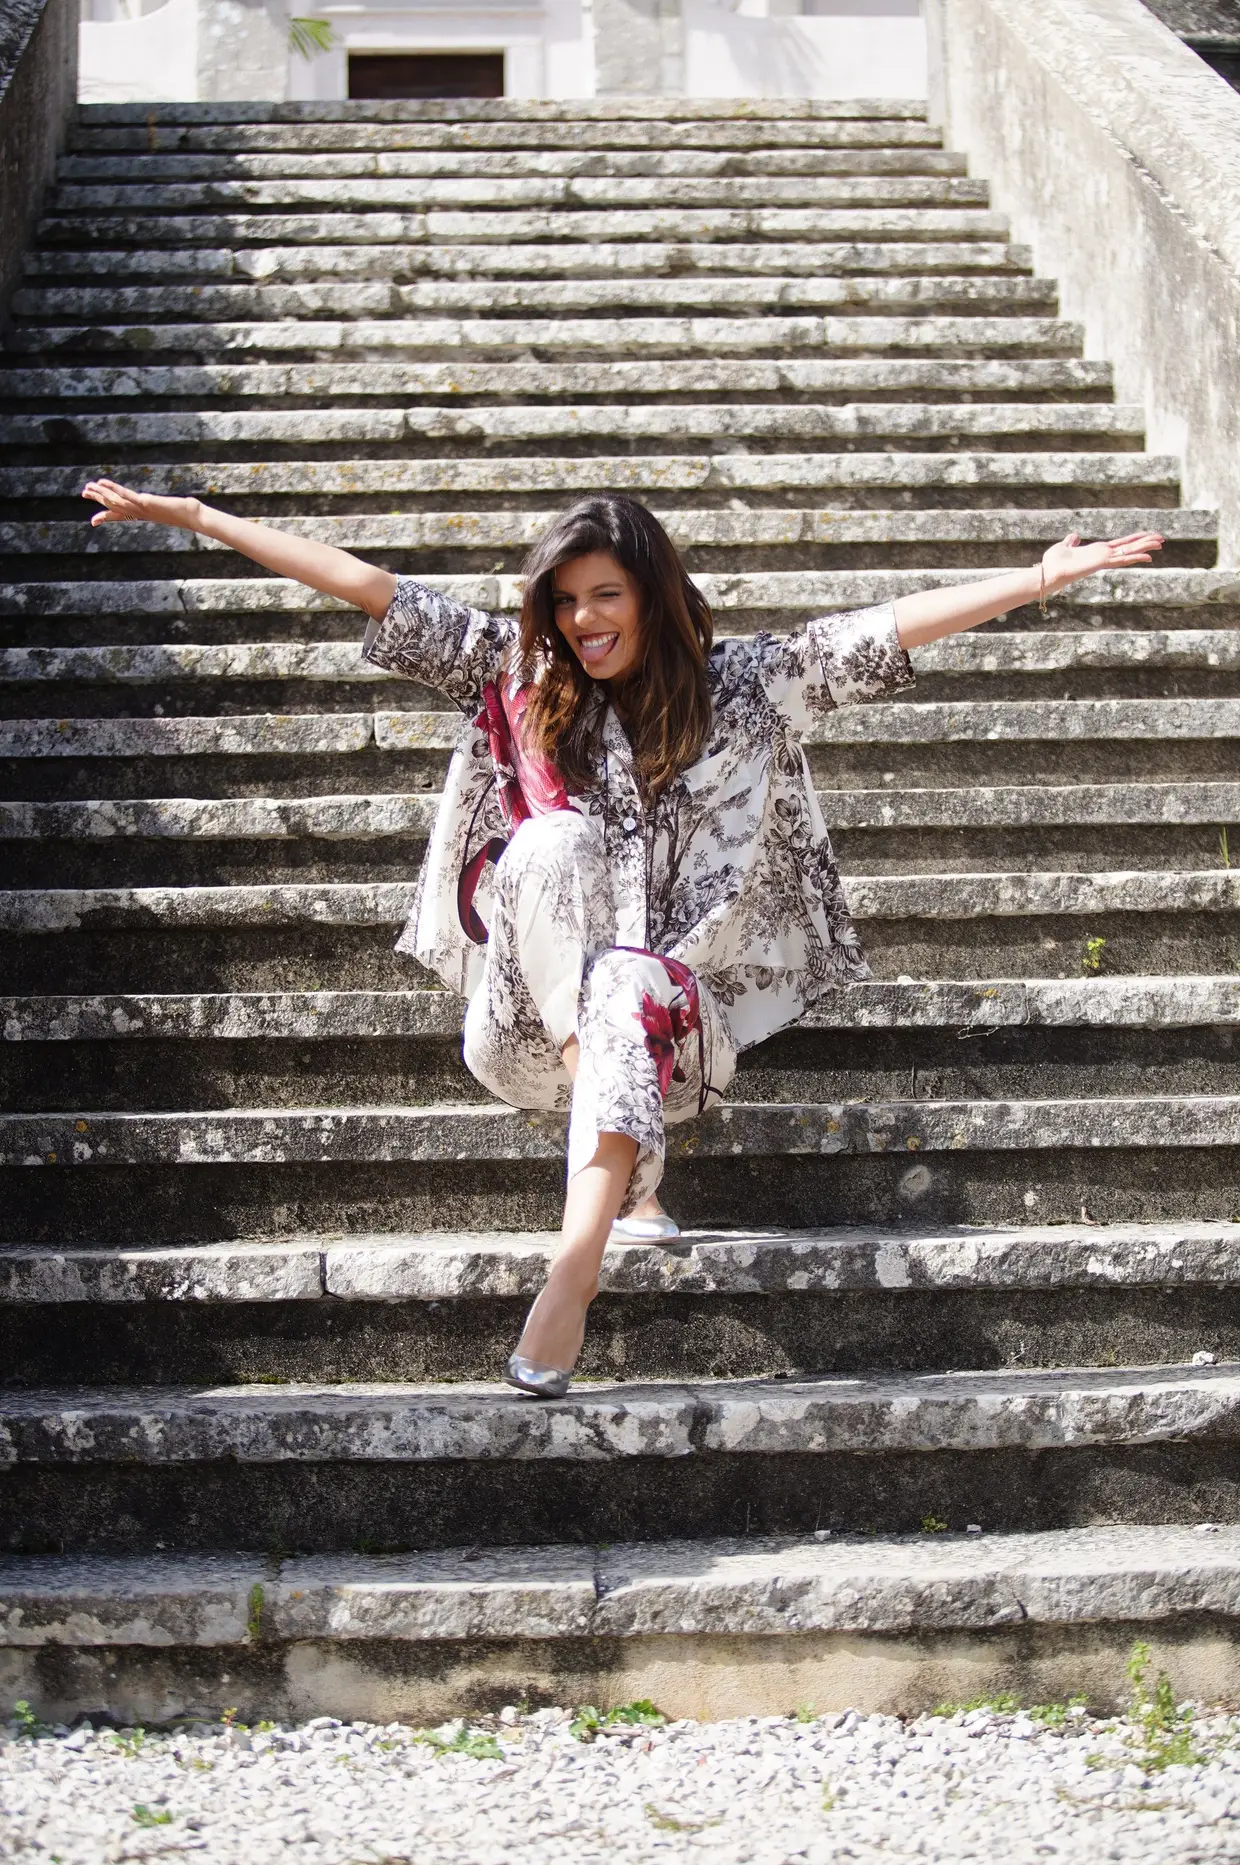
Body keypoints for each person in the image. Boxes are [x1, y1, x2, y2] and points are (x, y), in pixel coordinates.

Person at [80, 477, 1162, 1397]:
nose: (584, 619)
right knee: (549, 842)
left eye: (606, 594)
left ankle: (574, 1266)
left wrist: (1036, 578)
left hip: (677, 1047)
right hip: (522, 1033)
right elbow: (368, 586)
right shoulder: (518, 677)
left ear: (652, 594)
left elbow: (880, 629)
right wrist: (200, 519)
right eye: (566, 600)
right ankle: (619, 1194)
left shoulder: (745, 690)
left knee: (631, 978)